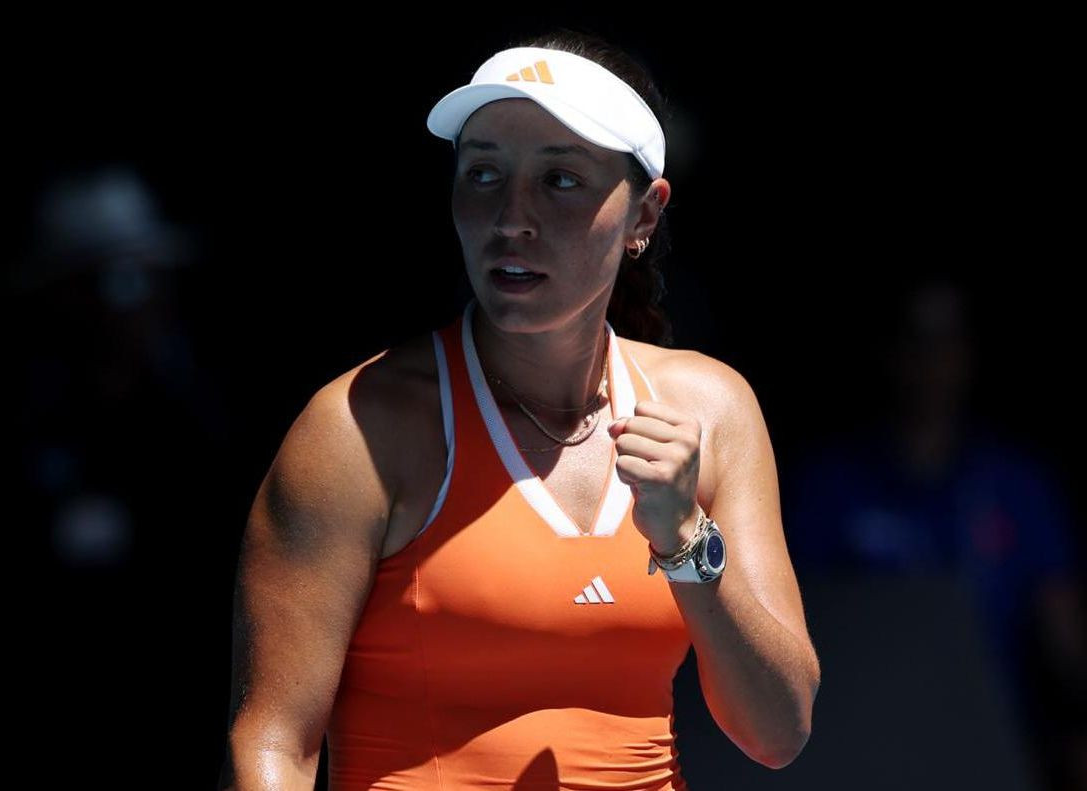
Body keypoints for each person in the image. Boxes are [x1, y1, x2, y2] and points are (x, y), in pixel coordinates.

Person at [222, 30, 820, 790]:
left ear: (644, 215)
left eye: (559, 180)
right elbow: (270, 745)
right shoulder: (358, 426)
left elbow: (778, 730)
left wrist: (683, 539)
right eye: (483, 174)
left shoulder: (714, 407)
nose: (510, 218)